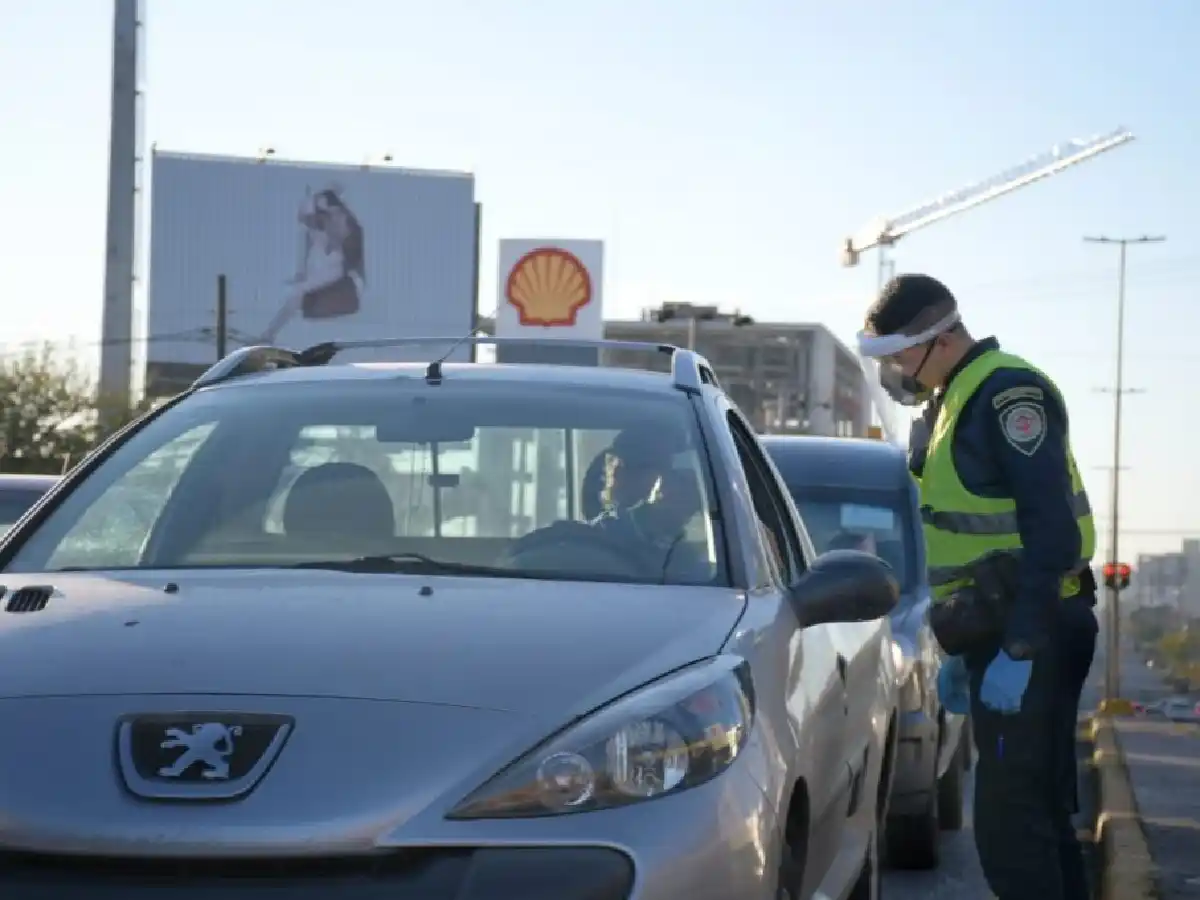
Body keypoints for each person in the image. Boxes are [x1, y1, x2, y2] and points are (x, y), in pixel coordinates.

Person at [857, 274, 1099, 900]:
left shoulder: (1005, 395)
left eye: (899, 354)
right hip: (998, 629)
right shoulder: (951, 401)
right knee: (1035, 818)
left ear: (938, 339)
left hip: (1032, 628)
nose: (897, 371)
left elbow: (1052, 536)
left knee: (1011, 829)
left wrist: (1018, 650)